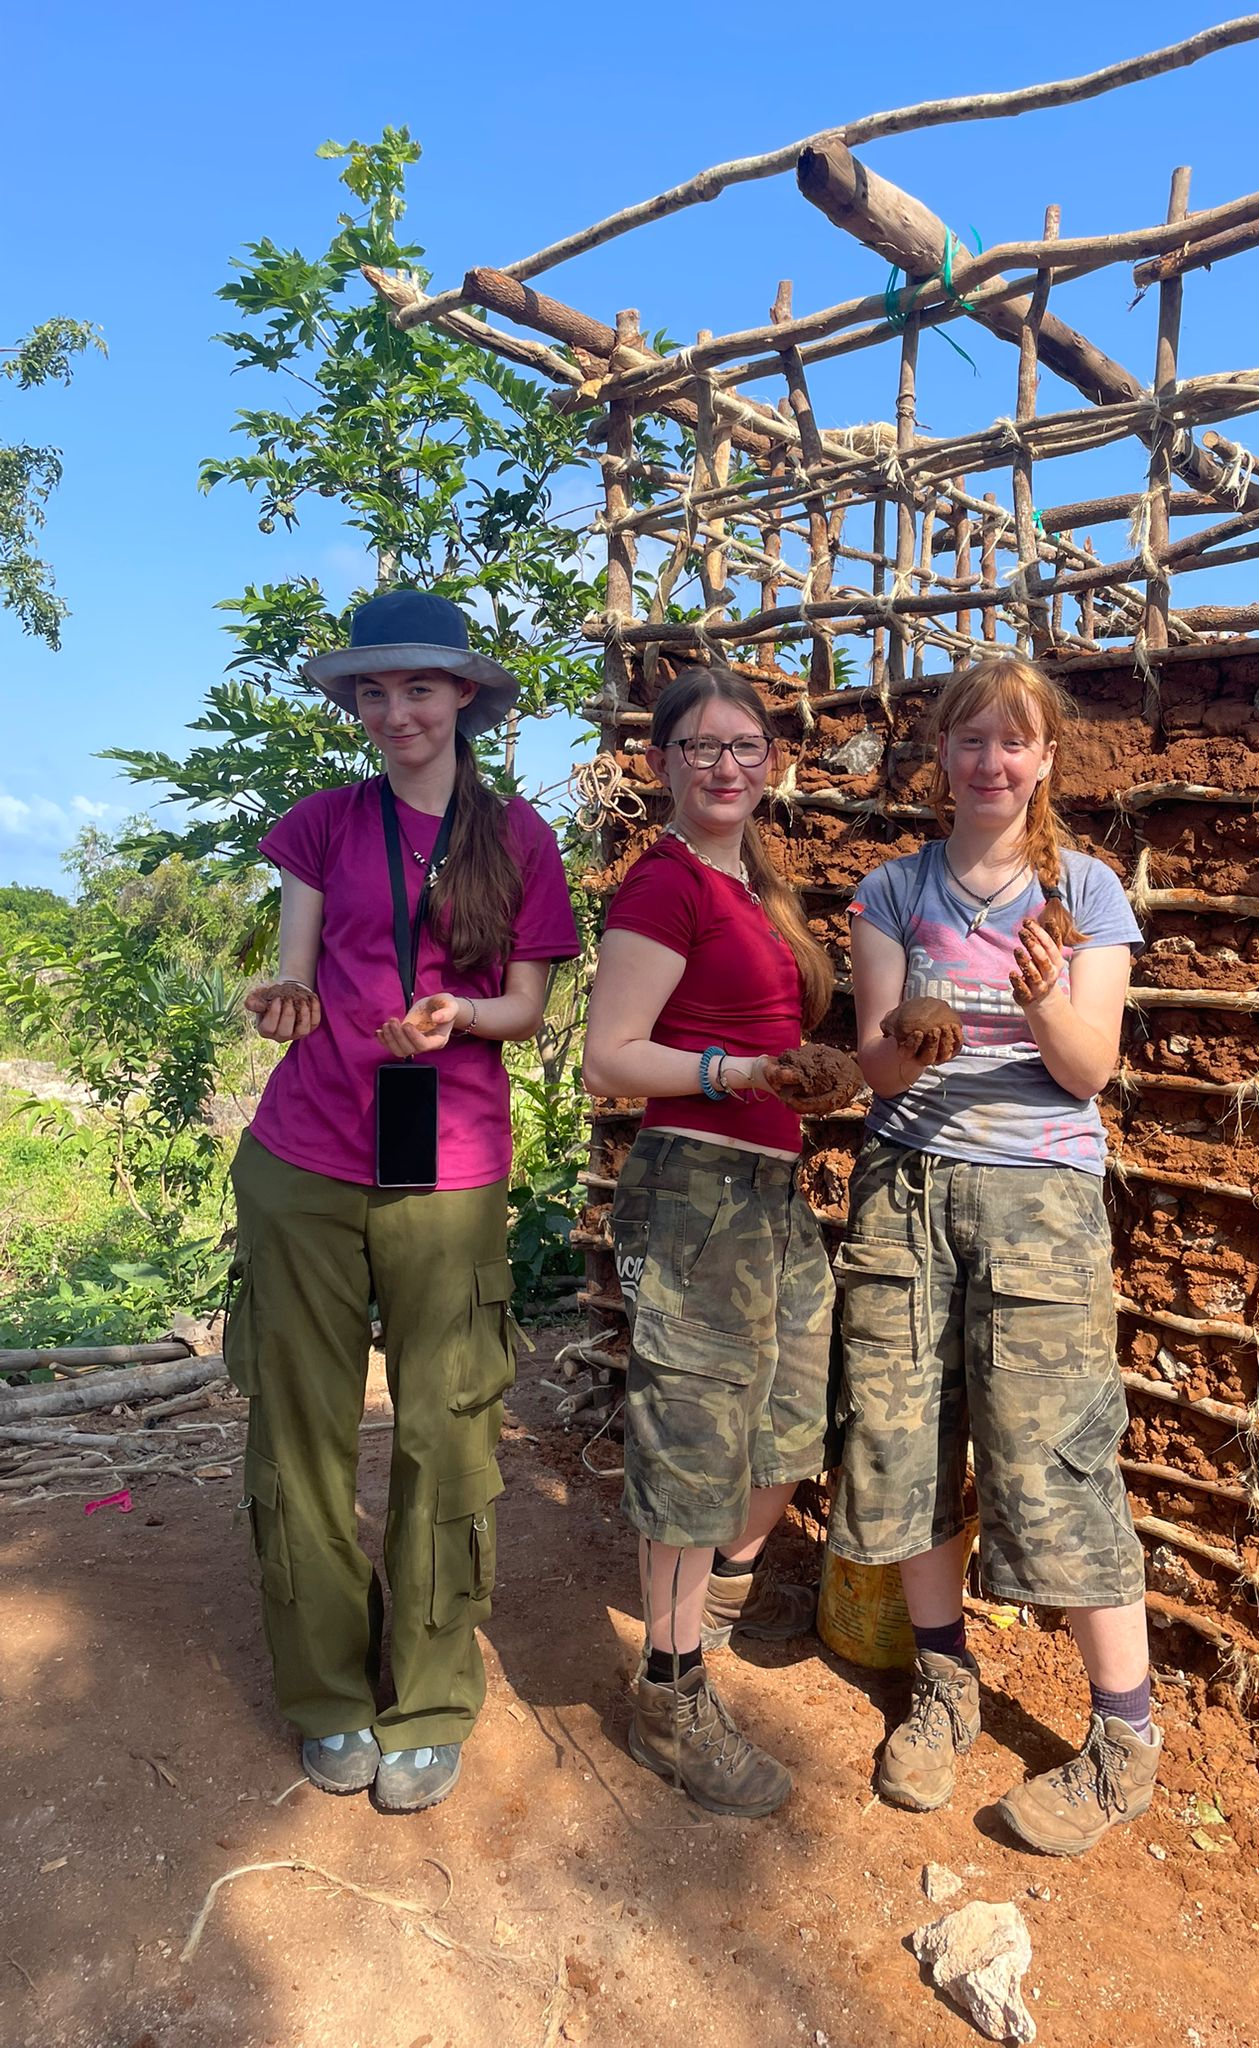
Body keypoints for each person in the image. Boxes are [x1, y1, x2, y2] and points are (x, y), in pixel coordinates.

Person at [227, 588, 578, 1815]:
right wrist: (285, 999)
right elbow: (294, 964)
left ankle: (429, 1693)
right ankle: (327, 1691)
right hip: (308, 1152)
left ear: (464, 697)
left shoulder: (522, 838)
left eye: (417, 688)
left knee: (445, 1426)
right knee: (302, 1427)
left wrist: (460, 1015)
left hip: (450, 1160)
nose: (393, 712)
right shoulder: (322, 823)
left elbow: (527, 1006)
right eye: (371, 693)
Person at [830, 651, 1159, 1857]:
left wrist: (1037, 1002)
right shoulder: (892, 890)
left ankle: (1125, 1738)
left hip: (1038, 1200)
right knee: (906, 1430)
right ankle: (945, 1679)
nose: (989, 762)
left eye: (1012, 741)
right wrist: (912, 1037)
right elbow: (873, 1064)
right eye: (969, 739)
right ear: (941, 757)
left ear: (1044, 761)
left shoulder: (1086, 893)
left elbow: (1089, 1068)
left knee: (1054, 1454)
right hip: (907, 1190)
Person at [582, 662, 859, 1820]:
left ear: (774, 759)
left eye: (746, 745)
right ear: (662, 764)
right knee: (696, 1438)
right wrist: (736, 1072)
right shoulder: (665, 886)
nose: (727, 764)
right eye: (701, 746)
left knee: (789, 1416)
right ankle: (671, 1689)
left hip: (773, 1191)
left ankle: (719, 1599)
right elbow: (612, 1054)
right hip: (696, 1184)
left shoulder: (762, 886)